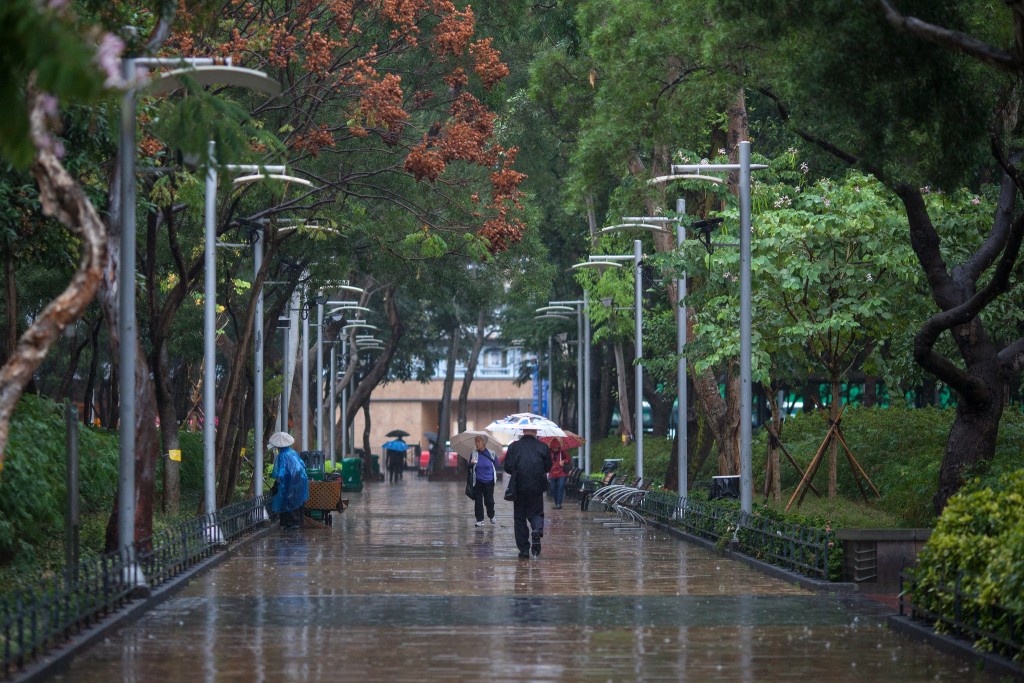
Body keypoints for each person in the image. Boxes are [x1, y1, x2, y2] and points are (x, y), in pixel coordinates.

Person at [503, 427, 552, 558]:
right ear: (536, 431)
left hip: (518, 487)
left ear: (523, 431)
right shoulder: (543, 447)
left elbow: (507, 466)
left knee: (519, 518)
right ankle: (536, 530)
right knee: (536, 512)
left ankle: (524, 549)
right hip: (536, 487)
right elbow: (548, 467)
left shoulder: (514, 447)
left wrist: (517, 470)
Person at [269, 431, 309, 529]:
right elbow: (302, 465)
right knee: (297, 502)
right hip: (300, 481)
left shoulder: (282, 455)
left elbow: (282, 473)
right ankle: (297, 522)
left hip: (289, 483)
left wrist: (276, 484)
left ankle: (291, 524)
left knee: (288, 502)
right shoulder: (292, 452)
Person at [469, 435, 498, 527]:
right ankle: (479, 520)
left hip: (489, 481)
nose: (477, 443)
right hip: (477, 480)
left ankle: (491, 515)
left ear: (484, 443)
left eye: (479, 441)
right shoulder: (473, 454)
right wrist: (471, 463)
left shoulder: (491, 453)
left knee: (489, 500)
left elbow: (496, 464)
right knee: (478, 501)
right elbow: (468, 466)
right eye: (476, 442)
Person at [547, 437, 572, 510]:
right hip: (552, 473)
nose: (555, 449)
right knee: (553, 488)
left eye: (556, 448)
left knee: (560, 487)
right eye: (554, 448)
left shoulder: (562, 452)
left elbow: (568, 459)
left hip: (562, 473)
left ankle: (559, 503)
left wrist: (563, 461)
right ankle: (556, 502)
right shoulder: (548, 452)